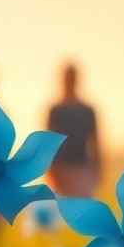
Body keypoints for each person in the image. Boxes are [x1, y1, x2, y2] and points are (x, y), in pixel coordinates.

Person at [46, 61, 101, 198]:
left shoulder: (88, 111)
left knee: (83, 213)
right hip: (61, 170)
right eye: (67, 78)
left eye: (72, 78)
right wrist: (52, 170)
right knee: (60, 215)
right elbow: (48, 143)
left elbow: (95, 142)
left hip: (82, 169)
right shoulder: (55, 111)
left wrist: (97, 170)